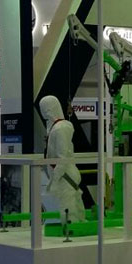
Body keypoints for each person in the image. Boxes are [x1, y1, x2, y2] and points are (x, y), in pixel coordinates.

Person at [38, 95, 84, 233]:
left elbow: (62, 158)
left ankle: (72, 230)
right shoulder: (56, 127)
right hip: (65, 173)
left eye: (44, 108)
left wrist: (55, 179)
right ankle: (77, 226)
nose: (43, 111)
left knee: (68, 204)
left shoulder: (60, 129)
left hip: (65, 174)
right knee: (73, 201)